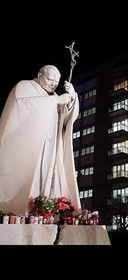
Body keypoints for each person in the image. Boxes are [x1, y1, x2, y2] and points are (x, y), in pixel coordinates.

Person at [0, 65, 81, 215]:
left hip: (51, 146)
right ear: (39, 75)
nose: (53, 84)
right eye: (50, 79)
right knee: (33, 176)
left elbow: (65, 121)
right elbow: (22, 107)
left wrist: (72, 99)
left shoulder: (53, 96)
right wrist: (55, 101)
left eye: (56, 82)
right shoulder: (24, 87)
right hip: (31, 144)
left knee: (48, 176)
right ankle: (24, 210)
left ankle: (45, 208)